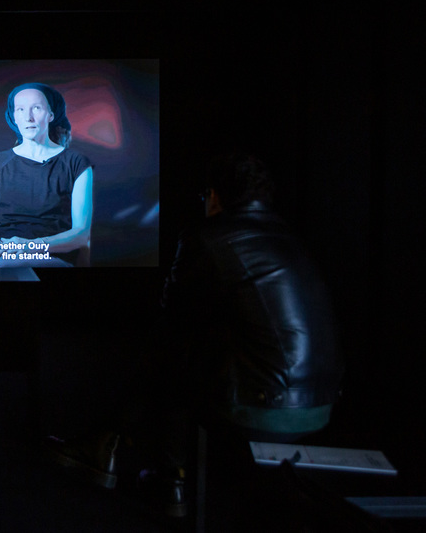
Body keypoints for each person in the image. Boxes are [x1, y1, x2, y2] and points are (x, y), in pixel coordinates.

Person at [47, 151, 344, 517]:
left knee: (174, 347)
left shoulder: (208, 237)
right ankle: (155, 471)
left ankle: (132, 457)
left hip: (265, 407)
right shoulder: (290, 238)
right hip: (320, 405)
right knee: (188, 349)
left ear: (214, 195)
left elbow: (173, 318)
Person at [0, 82, 94, 267]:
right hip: (2, 255)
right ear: (14, 116)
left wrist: (32, 246)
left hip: (53, 256)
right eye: (20, 109)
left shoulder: (76, 163)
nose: (28, 117)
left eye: (36, 108)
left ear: (51, 115)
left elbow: (81, 234)